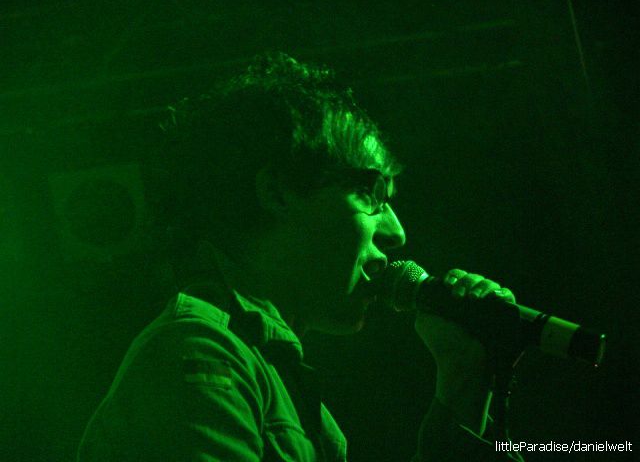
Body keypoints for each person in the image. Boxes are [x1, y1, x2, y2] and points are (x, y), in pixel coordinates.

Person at [77, 52, 523, 461]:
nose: (397, 232)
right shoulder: (199, 353)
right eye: (371, 194)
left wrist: (462, 380)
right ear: (278, 191)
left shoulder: (276, 379)